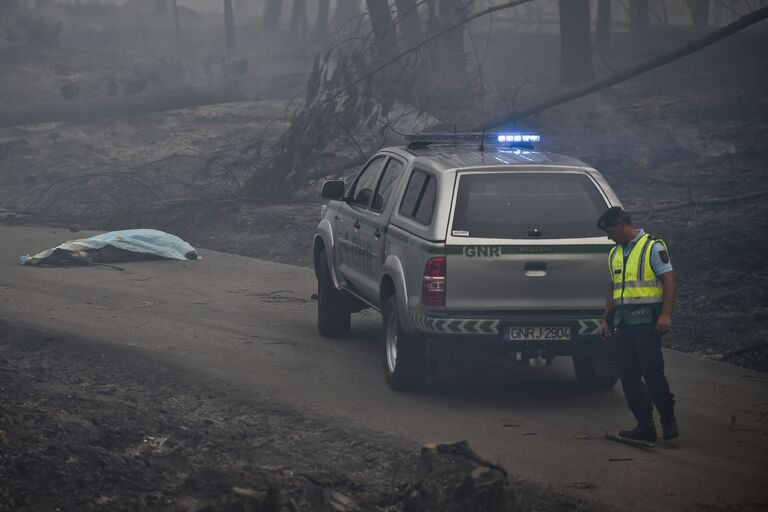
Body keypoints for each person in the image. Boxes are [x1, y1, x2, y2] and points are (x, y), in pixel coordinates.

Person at [597, 207, 679, 442]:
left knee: (652, 373)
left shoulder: (652, 247)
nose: (609, 236)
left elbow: (669, 282)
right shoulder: (614, 253)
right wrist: (606, 319)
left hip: (646, 322)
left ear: (622, 224)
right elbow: (613, 287)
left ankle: (668, 421)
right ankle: (645, 426)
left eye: (611, 231)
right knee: (628, 375)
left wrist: (666, 314)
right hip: (622, 323)